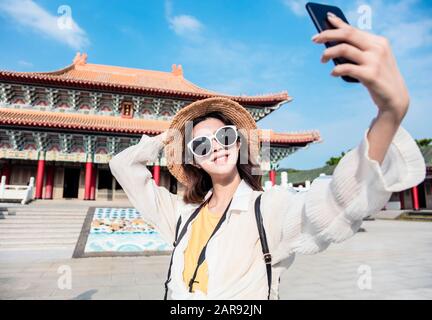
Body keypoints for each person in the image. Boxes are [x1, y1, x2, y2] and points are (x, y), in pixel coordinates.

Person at [109, 13, 426, 300]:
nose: (216, 147)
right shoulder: (180, 213)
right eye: (201, 146)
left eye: (225, 136)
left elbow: (333, 205)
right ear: (193, 159)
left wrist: (389, 114)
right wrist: (168, 138)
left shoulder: (269, 209)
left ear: (238, 143)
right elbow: (121, 165)